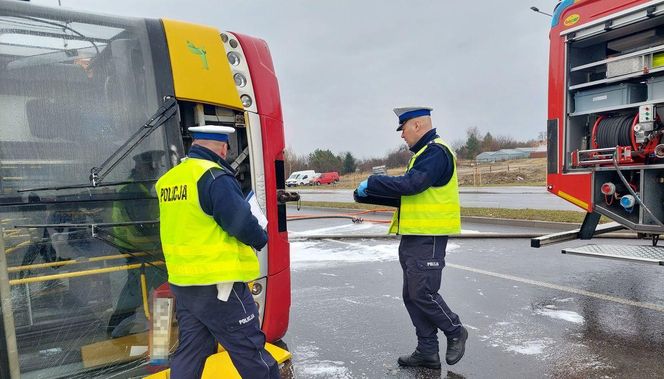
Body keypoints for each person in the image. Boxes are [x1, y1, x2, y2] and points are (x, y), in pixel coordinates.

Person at [156, 125, 279, 379]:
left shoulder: (169, 180)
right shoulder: (213, 176)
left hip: (184, 282)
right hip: (219, 285)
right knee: (250, 350)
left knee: (191, 351)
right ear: (222, 147)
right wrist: (260, 236)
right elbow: (240, 222)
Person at [354, 106, 467, 369]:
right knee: (412, 295)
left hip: (430, 236)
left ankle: (455, 330)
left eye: (403, 129)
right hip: (415, 236)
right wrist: (366, 195)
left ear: (417, 125)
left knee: (423, 293)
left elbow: (411, 185)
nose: (402, 136)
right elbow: (408, 194)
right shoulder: (423, 155)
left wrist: (373, 181)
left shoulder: (436, 152)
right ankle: (427, 351)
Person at [108, 150, 167, 338]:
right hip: (140, 248)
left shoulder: (138, 187)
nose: (155, 172)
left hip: (140, 247)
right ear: (141, 167)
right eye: (152, 168)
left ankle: (120, 327)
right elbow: (143, 225)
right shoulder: (134, 190)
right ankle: (118, 328)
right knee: (140, 289)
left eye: (157, 167)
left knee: (147, 287)